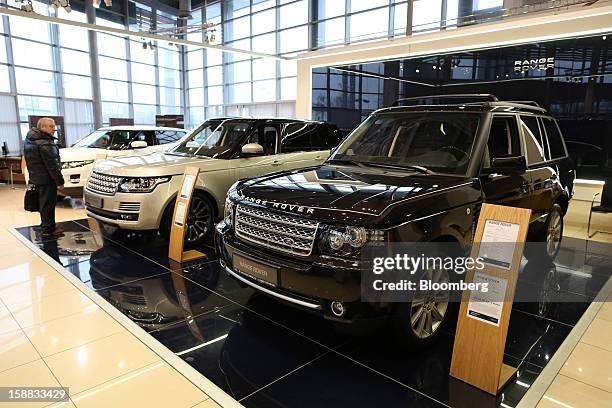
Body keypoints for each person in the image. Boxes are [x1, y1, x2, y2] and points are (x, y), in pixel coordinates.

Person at [24, 118, 65, 237]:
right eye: (51, 126)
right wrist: (59, 181)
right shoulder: (44, 142)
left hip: (37, 177)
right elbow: (52, 165)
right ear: (43, 128)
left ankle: (47, 226)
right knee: (48, 204)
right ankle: (48, 229)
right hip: (47, 179)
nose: (54, 129)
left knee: (44, 203)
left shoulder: (30, 140)